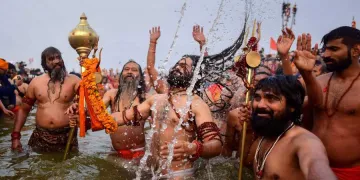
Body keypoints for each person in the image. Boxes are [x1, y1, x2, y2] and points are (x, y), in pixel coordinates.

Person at [294, 26, 360, 179]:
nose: (325, 54)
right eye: (325, 49)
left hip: (352, 173)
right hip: (309, 168)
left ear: (356, 50)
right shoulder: (319, 81)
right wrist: (306, 73)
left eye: (334, 49)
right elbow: (307, 119)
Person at [244, 75, 336, 179]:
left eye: (271, 98)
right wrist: (247, 130)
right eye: (257, 97)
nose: (260, 105)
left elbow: (315, 165)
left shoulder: (304, 142)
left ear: (292, 106)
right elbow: (245, 164)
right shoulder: (265, 135)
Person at [11, 47, 80, 152]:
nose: (56, 61)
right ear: (44, 63)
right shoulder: (36, 83)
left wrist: (79, 107)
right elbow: (24, 110)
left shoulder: (74, 81)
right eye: (51, 59)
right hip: (40, 136)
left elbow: (89, 102)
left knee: (68, 165)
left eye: (58, 57)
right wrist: (15, 137)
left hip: (67, 136)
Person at [100, 60, 147, 160]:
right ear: (121, 75)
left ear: (140, 76)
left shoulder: (146, 98)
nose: (130, 72)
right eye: (126, 69)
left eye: (134, 70)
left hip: (138, 153)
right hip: (114, 153)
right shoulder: (112, 94)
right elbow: (97, 110)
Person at [223, 65, 271, 157]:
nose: (260, 87)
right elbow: (227, 150)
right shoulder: (235, 115)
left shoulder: (276, 115)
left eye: (265, 83)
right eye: (256, 82)